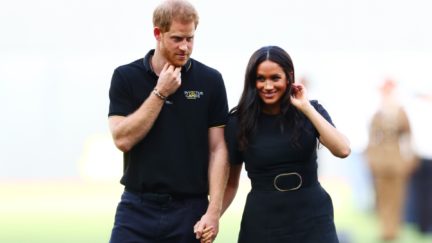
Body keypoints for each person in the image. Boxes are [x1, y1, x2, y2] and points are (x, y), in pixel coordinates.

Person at [107, 0, 229, 242]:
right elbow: (122, 139)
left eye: (190, 38)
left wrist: (213, 212)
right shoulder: (125, 77)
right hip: (137, 208)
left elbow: (218, 149)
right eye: (176, 38)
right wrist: (160, 93)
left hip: (190, 209)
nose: (185, 47)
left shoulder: (211, 80)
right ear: (157, 33)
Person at [219, 45, 351, 243]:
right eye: (260, 78)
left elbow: (343, 149)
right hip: (263, 221)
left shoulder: (310, 111)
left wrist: (306, 108)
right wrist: (212, 216)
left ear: (289, 77)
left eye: (275, 78)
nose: (268, 86)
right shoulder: (238, 122)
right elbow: (230, 183)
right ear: (252, 81)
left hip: (312, 217)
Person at [365, 79, 418, 241]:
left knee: (397, 197)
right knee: (381, 196)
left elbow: (408, 137)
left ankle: (393, 230)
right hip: (380, 162)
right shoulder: (377, 113)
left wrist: (409, 158)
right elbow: (372, 139)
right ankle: (385, 229)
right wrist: (370, 158)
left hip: (397, 161)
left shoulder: (401, 113)